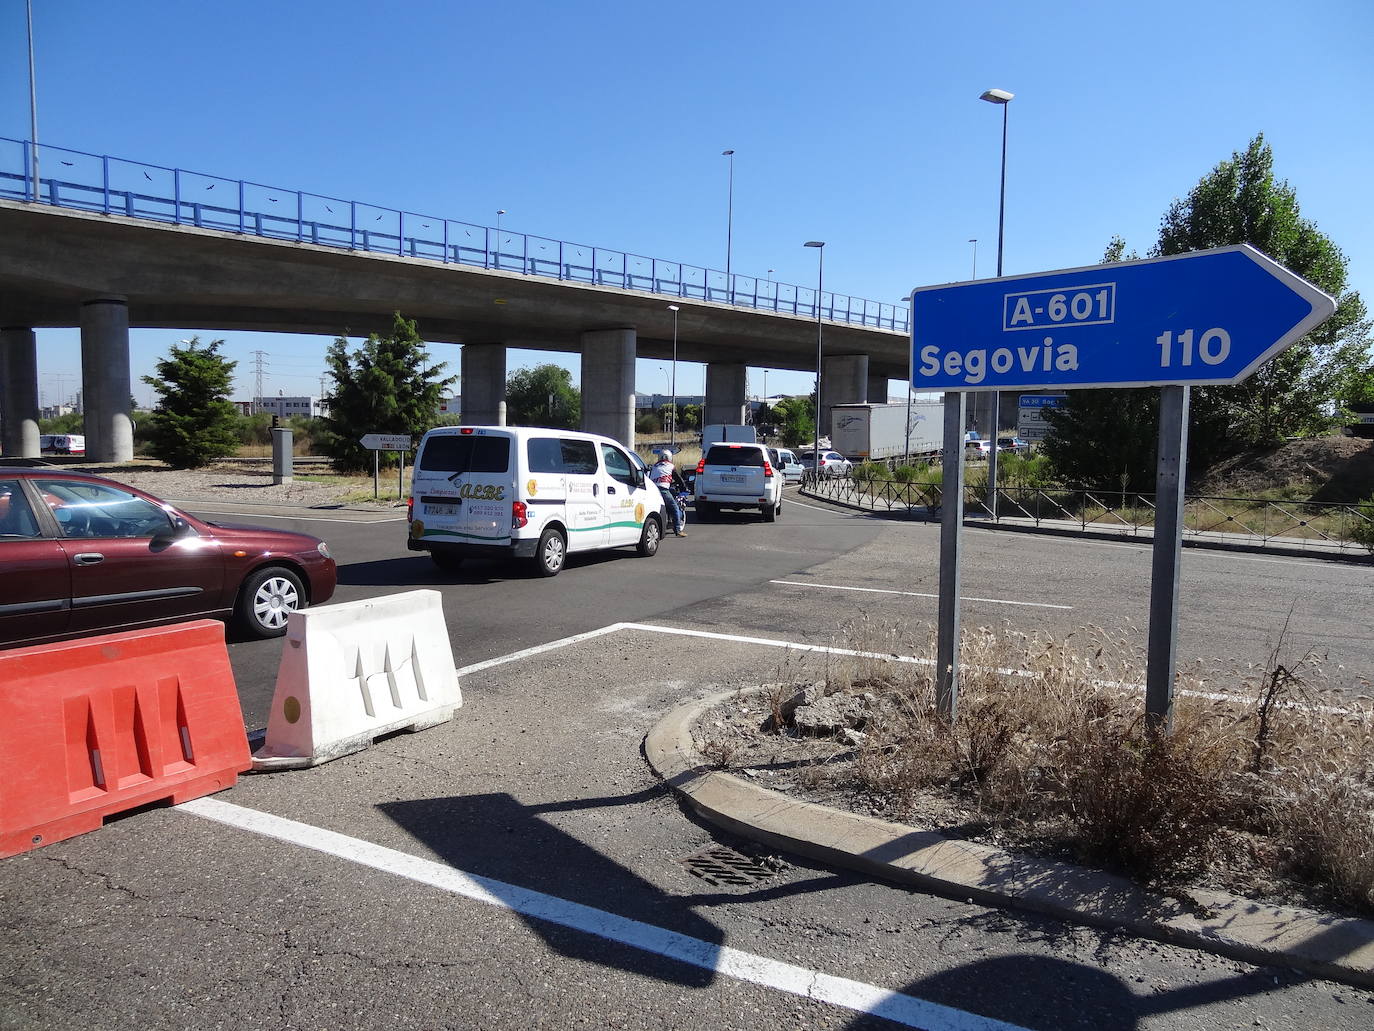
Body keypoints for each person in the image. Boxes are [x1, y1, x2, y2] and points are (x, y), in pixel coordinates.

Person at [649, 449, 688, 537]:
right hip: (663, 490)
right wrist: (684, 488)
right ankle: (678, 530)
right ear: (670, 457)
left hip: (653, 490)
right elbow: (678, 478)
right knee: (674, 508)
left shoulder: (654, 466)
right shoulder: (670, 466)